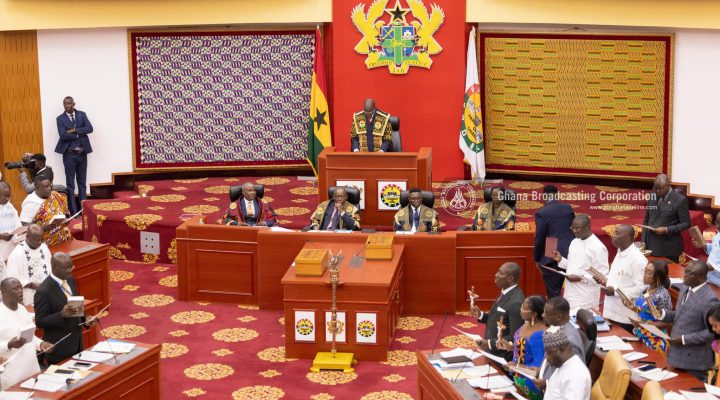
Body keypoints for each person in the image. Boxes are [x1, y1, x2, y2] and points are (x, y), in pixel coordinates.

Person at [660, 260, 719, 381]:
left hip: (694, 362)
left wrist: (683, 340)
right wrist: (662, 314)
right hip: (675, 356)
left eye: (689, 273)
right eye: (685, 271)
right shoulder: (685, 287)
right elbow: (682, 315)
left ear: (701, 277)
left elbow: (711, 333)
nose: (684, 275)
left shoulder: (710, 299)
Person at [34, 252, 93, 364]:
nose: (71, 270)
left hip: (77, 343)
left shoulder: (70, 280)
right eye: (67, 268)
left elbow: (75, 307)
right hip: (59, 349)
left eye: (72, 267)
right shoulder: (43, 291)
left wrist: (85, 319)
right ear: (54, 267)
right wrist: (61, 315)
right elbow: (40, 321)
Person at [0, 277, 53, 389]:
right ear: (4, 292)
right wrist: (9, 345)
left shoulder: (22, 309)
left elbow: (29, 337)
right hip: (12, 374)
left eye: (20, 287)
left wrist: (41, 344)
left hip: (32, 368)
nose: (20, 290)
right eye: (15, 289)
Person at [553, 214, 609, 314]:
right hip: (570, 293)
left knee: (584, 324)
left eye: (577, 228)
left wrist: (580, 278)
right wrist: (561, 260)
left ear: (588, 226)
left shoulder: (598, 247)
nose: (574, 231)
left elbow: (602, 276)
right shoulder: (574, 242)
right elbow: (574, 266)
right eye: (572, 228)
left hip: (586, 296)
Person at [596, 224, 647, 332]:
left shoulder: (638, 260)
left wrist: (614, 292)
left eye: (617, 233)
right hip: (611, 312)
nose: (613, 236)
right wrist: (604, 279)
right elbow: (618, 278)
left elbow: (641, 288)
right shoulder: (620, 252)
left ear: (627, 238)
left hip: (625, 317)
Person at [471, 262, 525, 361]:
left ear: (510, 279)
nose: (496, 275)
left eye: (501, 273)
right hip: (492, 351)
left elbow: (515, 336)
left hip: (502, 356)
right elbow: (499, 319)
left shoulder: (516, 302)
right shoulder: (505, 292)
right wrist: (481, 315)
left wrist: (489, 343)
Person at [496, 295, 546, 400]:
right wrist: (510, 346)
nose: (521, 310)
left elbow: (537, 370)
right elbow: (524, 350)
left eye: (524, 308)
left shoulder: (539, 335)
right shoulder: (526, 324)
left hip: (530, 385)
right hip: (518, 377)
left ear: (534, 314)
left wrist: (515, 367)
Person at [623, 260, 673, 356]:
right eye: (645, 271)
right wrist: (633, 308)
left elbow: (668, 322)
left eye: (649, 273)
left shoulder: (662, 294)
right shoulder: (646, 289)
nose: (645, 275)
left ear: (658, 277)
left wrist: (644, 325)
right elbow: (645, 312)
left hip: (655, 339)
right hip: (641, 333)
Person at [534, 185, 575, 298]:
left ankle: (556, 312)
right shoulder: (568, 208)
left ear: (544, 196)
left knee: (553, 291)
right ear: (557, 195)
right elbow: (574, 228)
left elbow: (540, 236)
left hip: (552, 247)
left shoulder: (542, 212)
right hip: (570, 248)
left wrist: (537, 257)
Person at [535, 297, 586, 390]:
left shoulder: (569, 341)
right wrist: (540, 371)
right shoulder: (557, 330)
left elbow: (575, 376)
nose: (542, 315)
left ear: (559, 317)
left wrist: (547, 383)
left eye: (546, 313)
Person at [55, 96, 93, 215]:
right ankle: (73, 212)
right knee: (70, 185)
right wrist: (79, 134)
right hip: (69, 155)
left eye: (69, 103)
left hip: (82, 154)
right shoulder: (60, 118)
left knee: (82, 183)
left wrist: (74, 130)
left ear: (74, 104)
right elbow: (63, 135)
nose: (67, 105)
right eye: (65, 104)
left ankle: (84, 211)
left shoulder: (82, 114)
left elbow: (90, 128)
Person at [641, 174, 690, 263]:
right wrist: (643, 241)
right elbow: (647, 220)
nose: (657, 191)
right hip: (650, 246)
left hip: (668, 248)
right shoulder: (652, 196)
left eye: (660, 188)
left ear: (668, 185)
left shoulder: (680, 200)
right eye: (655, 188)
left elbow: (686, 223)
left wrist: (666, 229)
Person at [541, 326, 591, 400]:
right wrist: (547, 384)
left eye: (549, 353)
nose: (547, 358)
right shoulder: (563, 365)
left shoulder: (576, 375)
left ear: (561, 350)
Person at [6, 224, 51, 306]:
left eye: (42, 239)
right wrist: (32, 284)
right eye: (37, 240)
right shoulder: (16, 254)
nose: (40, 242)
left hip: (48, 293)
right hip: (30, 297)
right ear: (27, 236)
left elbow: (50, 268)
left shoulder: (44, 247)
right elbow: (12, 279)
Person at [20, 176, 71, 246]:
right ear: (37, 187)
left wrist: (67, 219)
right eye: (46, 186)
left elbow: (65, 212)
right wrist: (42, 228)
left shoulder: (55, 195)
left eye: (51, 185)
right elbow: (25, 227)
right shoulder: (30, 202)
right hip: (43, 245)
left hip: (63, 239)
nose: (50, 188)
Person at [695, 211, 720, 285]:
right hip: (710, 278)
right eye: (717, 222)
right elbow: (715, 249)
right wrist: (703, 245)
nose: (718, 226)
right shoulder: (718, 233)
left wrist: (708, 267)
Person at [0, 181, 22, 261]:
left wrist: (20, 233)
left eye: (9, 196)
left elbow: (18, 226)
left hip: (13, 252)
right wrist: (1, 236)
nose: (7, 199)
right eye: (5, 196)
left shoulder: (10, 207)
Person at [704, 304, 720, 386]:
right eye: (711, 326)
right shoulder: (716, 344)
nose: (713, 329)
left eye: (715, 325)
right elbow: (717, 365)